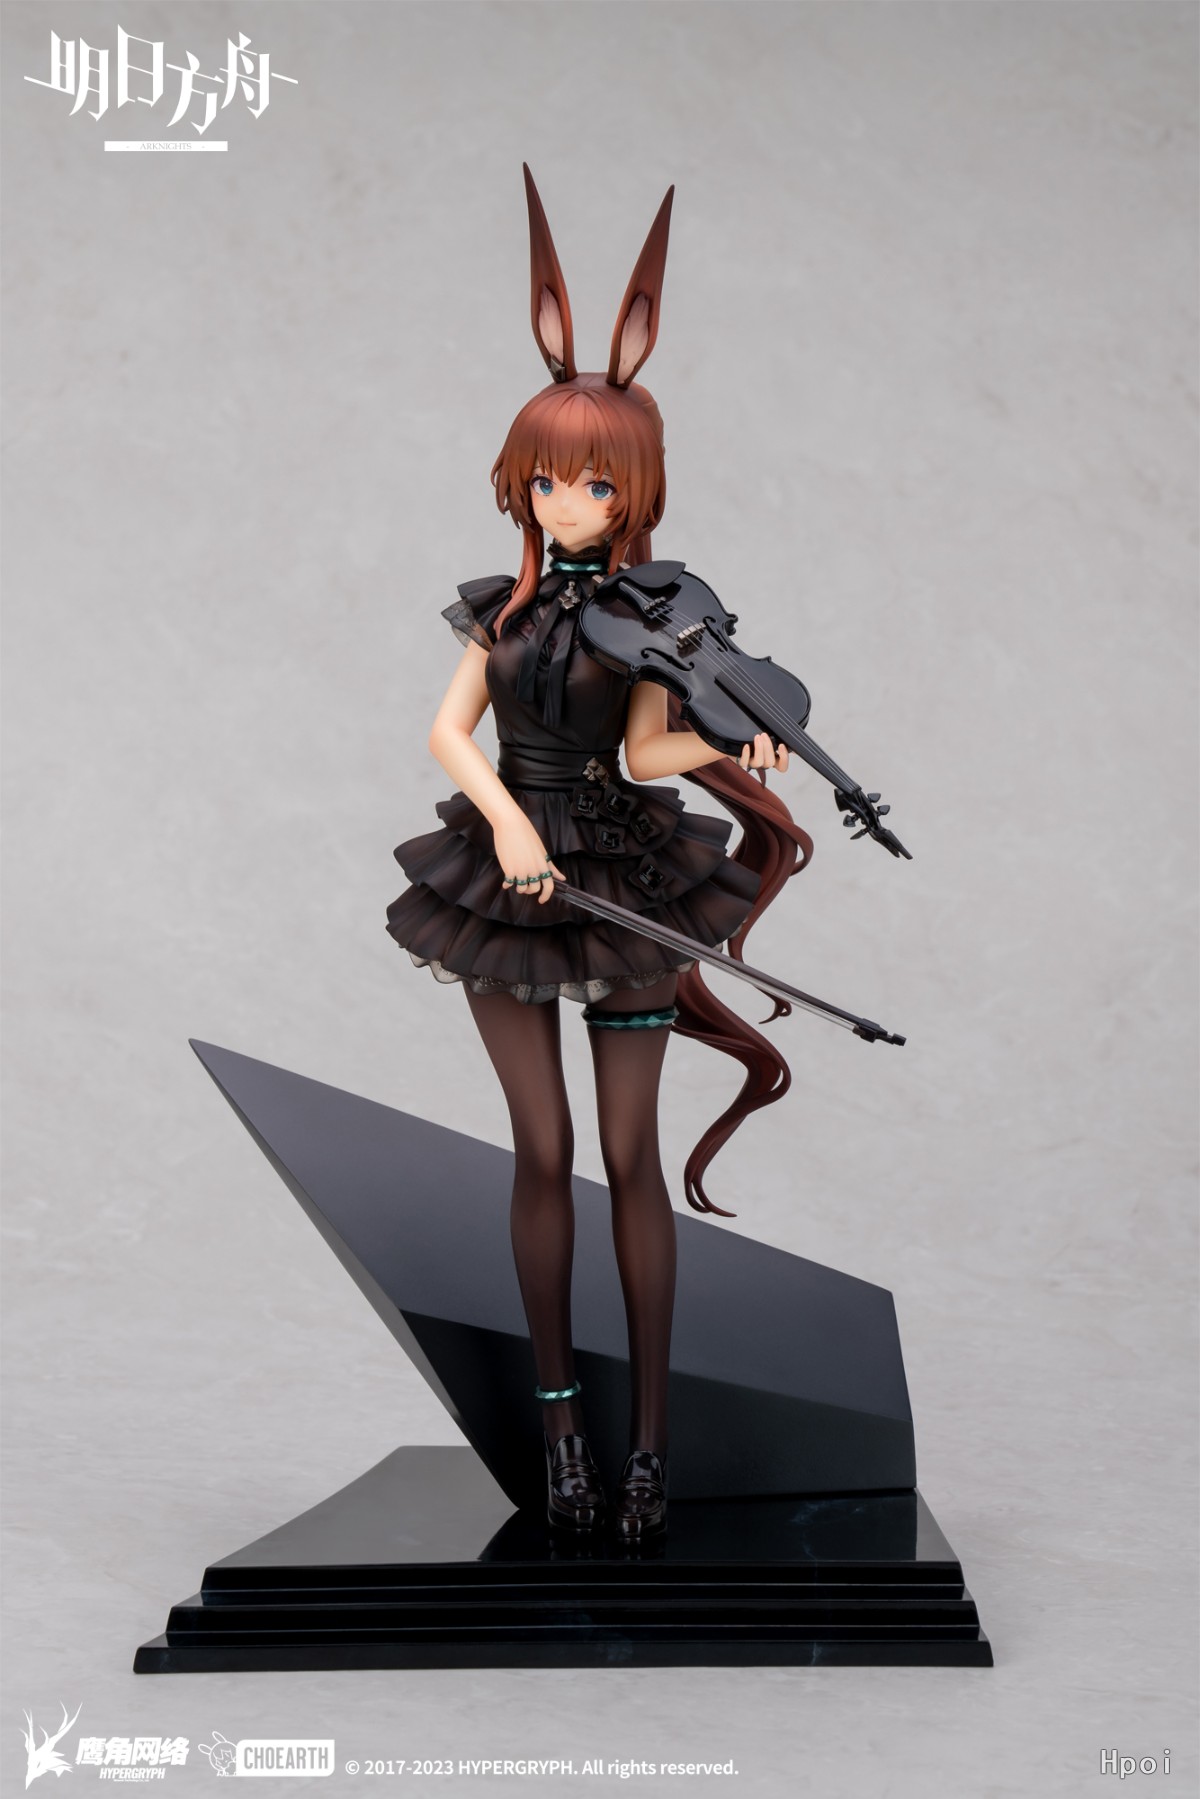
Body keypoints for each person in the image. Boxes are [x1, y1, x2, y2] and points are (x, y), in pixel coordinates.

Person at [386, 169, 811, 1542]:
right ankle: (562, 1431)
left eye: (591, 483)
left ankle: (648, 1451)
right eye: (547, 478)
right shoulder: (496, 609)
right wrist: (509, 821)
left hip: (620, 872)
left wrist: (736, 746)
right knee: (541, 1148)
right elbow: (446, 734)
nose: (563, 500)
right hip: (505, 876)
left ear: (633, 490)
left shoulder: (648, 615)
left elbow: (644, 750)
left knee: (631, 1153)